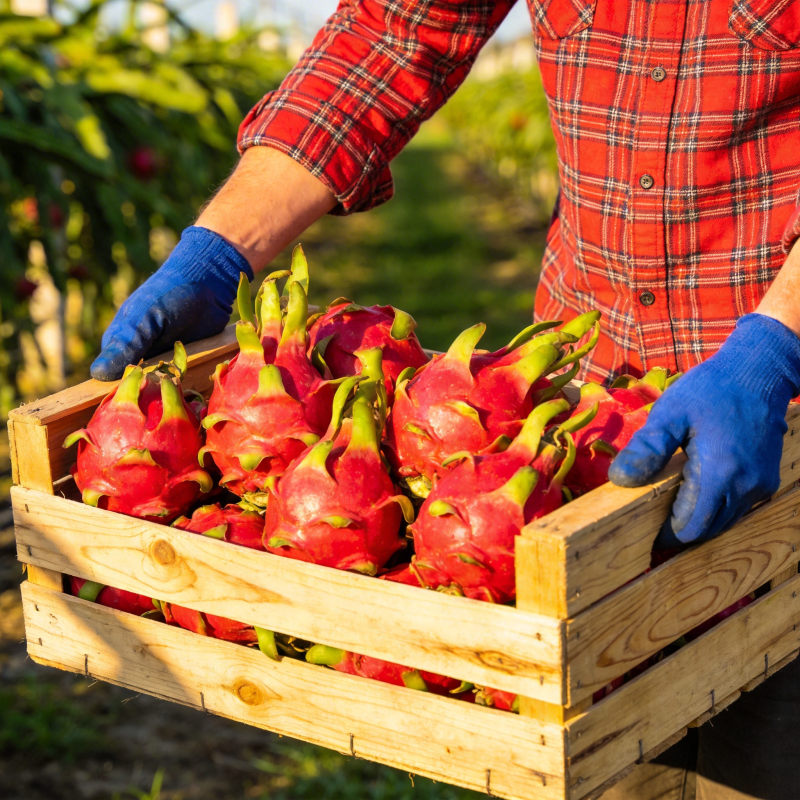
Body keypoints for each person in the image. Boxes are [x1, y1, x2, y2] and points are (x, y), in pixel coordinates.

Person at [90, 2, 800, 796]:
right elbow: (392, 33)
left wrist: (775, 349)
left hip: (781, 420)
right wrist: (220, 247)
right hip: (574, 425)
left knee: (765, 758)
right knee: (606, 759)